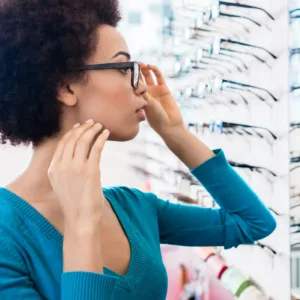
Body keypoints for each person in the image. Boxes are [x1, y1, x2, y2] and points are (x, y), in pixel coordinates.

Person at [0, 0, 276, 299]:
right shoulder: (7, 233)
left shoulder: (133, 207)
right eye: (123, 68)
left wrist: (176, 135)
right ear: (66, 87)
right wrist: (82, 229)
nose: (142, 86)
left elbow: (252, 223)